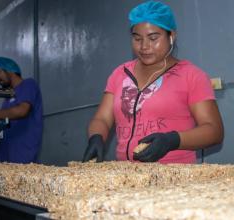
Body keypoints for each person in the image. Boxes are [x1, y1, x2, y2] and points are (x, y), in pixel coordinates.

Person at [82, 1, 223, 164]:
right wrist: (96, 137)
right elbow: (102, 119)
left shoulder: (190, 75)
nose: (144, 46)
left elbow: (214, 130)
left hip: (175, 177)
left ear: (172, 36)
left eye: (153, 38)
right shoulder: (120, 74)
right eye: (137, 38)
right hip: (127, 177)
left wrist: (172, 140)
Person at [0, 57, 43, 164]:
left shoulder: (28, 84)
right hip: (4, 155)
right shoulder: (8, 97)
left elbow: (21, 111)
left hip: (22, 156)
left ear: (9, 69)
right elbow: (3, 121)